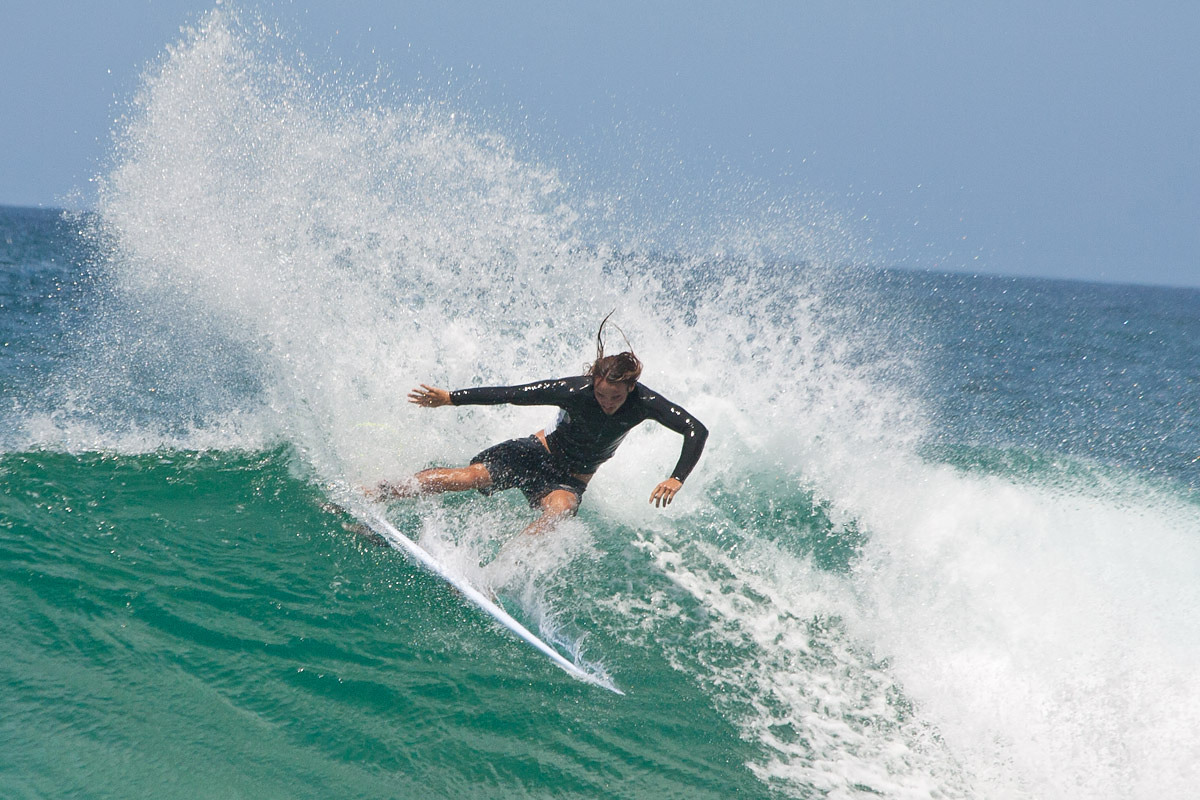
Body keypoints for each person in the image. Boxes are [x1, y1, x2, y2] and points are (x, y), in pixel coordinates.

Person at [368, 319, 708, 540]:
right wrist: (451, 398)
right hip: (535, 452)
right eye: (602, 394)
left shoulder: (645, 403)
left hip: (572, 477)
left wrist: (677, 477)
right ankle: (375, 493)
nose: (607, 402)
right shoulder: (575, 391)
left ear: (630, 388)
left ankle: (491, 579)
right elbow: (513, 394)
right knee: (468, 478)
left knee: (558, 512)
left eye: (616, 397)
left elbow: (695, 429)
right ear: (594, 381)